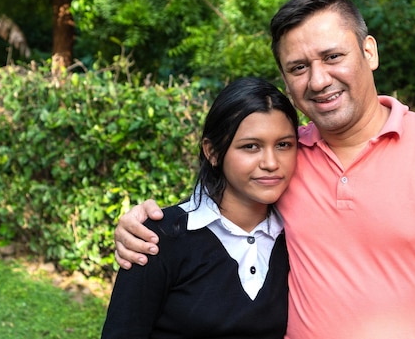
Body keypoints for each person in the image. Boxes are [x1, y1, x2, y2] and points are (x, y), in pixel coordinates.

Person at [113, 0, 415, 339]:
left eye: (332, 56)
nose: (318, 80)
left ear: (369, 51)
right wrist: (143, 226)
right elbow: (222, 208)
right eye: (298, 67)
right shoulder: (288, 159)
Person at [101, 77, 299, 339]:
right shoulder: (157, 239)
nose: (271, 162)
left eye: (283, 145)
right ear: (213, 152)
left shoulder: (298, 238)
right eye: (251, 146)